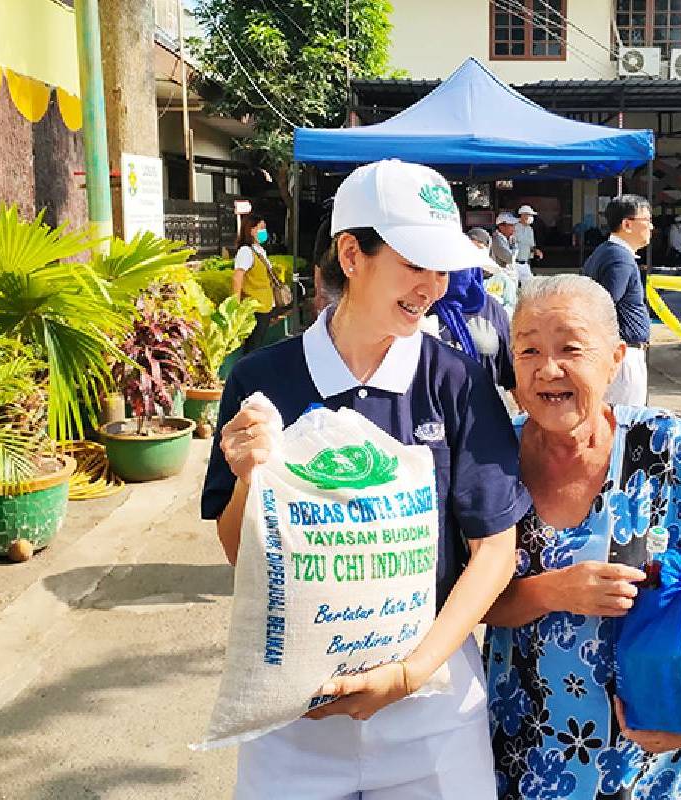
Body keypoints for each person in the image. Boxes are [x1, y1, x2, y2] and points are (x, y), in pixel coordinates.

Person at [202, 159, 530, 798]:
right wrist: (246, 480)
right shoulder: (262, 381)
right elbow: (242, 552)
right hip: (292, 713)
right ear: (351, 254)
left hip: (432, 708)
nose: (433, 287)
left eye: (443, 268)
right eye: (415, 265)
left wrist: (410, 674)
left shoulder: (455, 381)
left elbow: (495, 548)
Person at [484, 274, 681, 800]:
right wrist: (554, 591)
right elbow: (463, 605)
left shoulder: (663, 446)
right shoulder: (490, 458)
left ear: (615, 358)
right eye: (529, 350)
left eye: (571, 348)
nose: (548, 369)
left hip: (660, 766)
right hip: (527, 757)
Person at [581, 194, 653, 406]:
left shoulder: (607, 252)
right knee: (622, 420)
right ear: (627, 224)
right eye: (647, 221)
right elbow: (605, 306)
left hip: (618, 353)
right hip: (622, 356)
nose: (651, 227)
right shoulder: (619, 257)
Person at [423, 266, 517, 400]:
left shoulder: (491, 309)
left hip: (481, 413)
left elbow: (511, 377)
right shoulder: (417, 303)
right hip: (426, 414)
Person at [231, 214, 276, 355]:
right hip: (255, 308)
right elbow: (237, 277)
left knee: (257, 344)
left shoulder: (259, 250)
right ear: (251, 230)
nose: (264, 232)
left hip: (265, 306)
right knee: (253, 347)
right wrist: (235, 305)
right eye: (261, 228)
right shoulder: (246, 252)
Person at [470, 226, 518, 317]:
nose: (475, 252)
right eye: (471, 247)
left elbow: (511, 306)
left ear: (488, 249)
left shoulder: (502, 278)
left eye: (479, 247)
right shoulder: (459, 279)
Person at [514, 205, 542, 285]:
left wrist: (537, 251)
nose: (531, 217)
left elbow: (531, 245)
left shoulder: (530, 229)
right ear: (523, 215)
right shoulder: (514, 227)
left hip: (525, 263)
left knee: (528, 285)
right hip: (514, 263)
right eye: (529, 215)